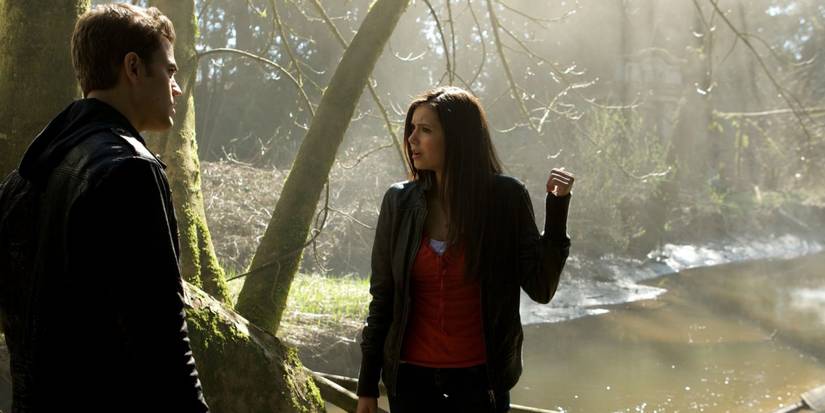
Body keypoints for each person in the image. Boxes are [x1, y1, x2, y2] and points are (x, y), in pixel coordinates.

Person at [0, 4, 209, 412]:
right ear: (133, 68)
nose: (177, 87)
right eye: (168, 71)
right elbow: (163, 342)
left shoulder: (27, 175)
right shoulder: (130, 173)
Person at [355, 86, 574, 413]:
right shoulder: (399, 202)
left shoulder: (505, 199)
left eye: (425, 130)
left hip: (480, 384)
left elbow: (541, 287)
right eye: (411, 128)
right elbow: (383, 297)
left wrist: (556, 211)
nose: (412, 139)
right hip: (411, 383)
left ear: (458, 138)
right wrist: (367, 386)